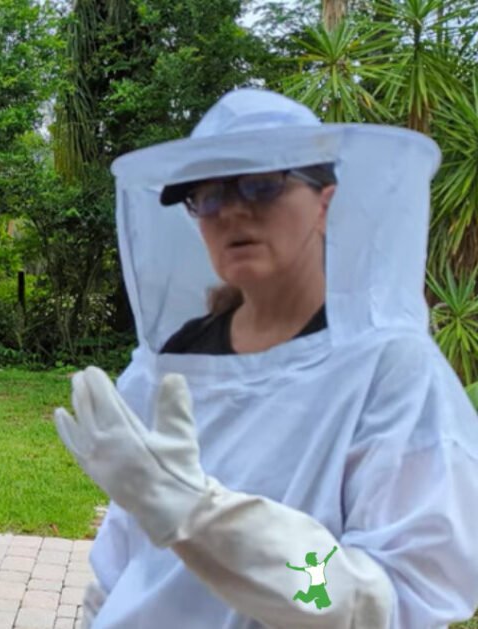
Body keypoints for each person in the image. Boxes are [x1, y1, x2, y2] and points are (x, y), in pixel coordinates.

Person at [54, 88, 478, 627]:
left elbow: (385, 601)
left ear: (325, 201)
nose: (230, 210)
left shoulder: (390, 371)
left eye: (261, 185)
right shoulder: (173, 361)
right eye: (205, 197)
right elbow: (128, 553)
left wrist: (201, 518)